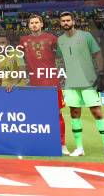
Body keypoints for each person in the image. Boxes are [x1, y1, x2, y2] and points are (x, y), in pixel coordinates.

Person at [57, 11, 104, 159]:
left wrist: (100, 74)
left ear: (73, 21)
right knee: (74, 114)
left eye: (68, 20)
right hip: (70, 84)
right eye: (63, 21)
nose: (65, 23)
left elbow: (98, 54)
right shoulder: (60, 40)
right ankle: (80, 148)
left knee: (97, 113)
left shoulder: (86, 36)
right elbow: (59, 58)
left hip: (88, 82)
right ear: (60, 23)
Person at [20, 14, 69, 155]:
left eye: (36, 22)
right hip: (34, 84)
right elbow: (18, 60)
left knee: (57, 114)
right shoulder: (23, 40)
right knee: (35, 115)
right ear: (28, 25)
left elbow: (62, 55)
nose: (34, 25)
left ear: (41, 24)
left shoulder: (52, 38)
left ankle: (62, 144)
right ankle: (39, 143)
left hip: (52, 82)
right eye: (31, 23)